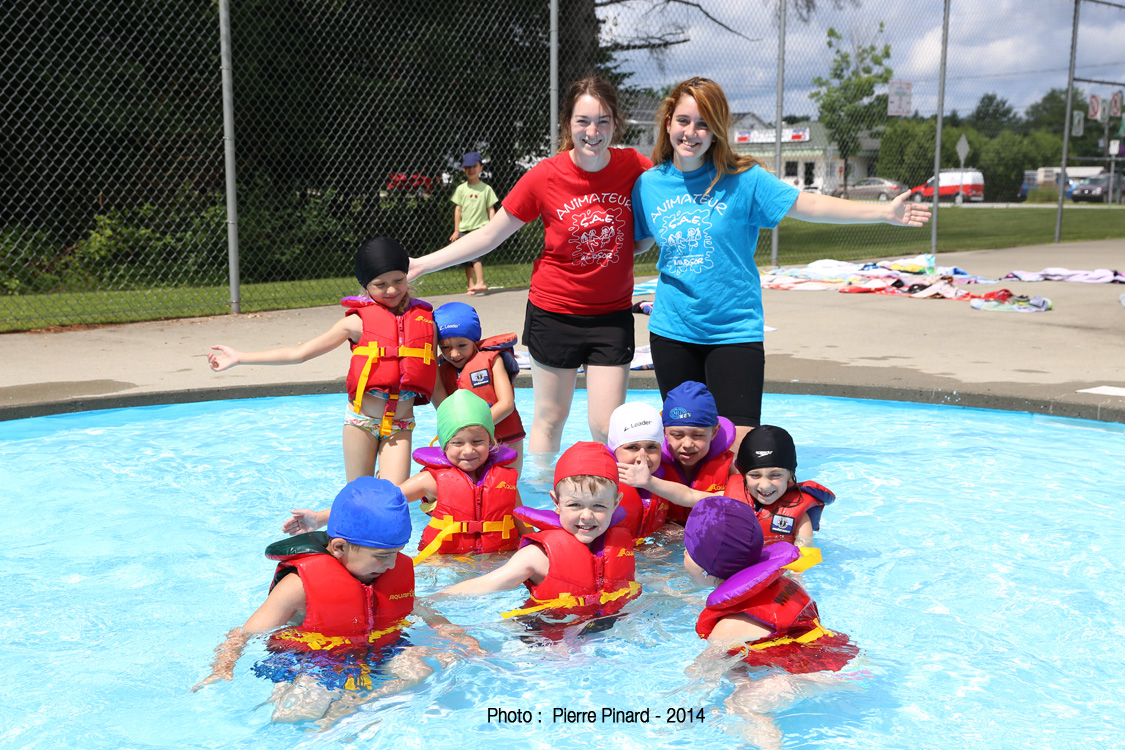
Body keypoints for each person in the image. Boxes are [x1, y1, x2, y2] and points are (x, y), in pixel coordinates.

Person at [632, 77, 931, 455]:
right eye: (684, 120)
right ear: (668, 123)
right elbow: (638, 240)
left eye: (704, 123)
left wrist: (883, 212)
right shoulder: (649, 185)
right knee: (685, 446)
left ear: (717, 130)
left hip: (733, 330)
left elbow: (812, 205)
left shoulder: (743, 180)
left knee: (738, 452)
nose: (691, 132)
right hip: (673, 331)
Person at [409, 76, 653, 451]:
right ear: (567, 124)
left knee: (608, 426)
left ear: (615, 123)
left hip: (611, 316)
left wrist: (637, 242)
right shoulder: (546, 175)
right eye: (583, 121)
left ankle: (604, 487)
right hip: (554, 313)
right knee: (551, 419)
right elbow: (490, 235)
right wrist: (421, 265)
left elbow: (650, 227)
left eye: (603, 121)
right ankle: (541, 488)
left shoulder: (636, 166)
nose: (593, 132)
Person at [194, 478, 478, 725]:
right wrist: (222, 668)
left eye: (397, 553)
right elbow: (245, 633)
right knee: (298, 712)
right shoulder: (298, 585)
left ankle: (353, 706)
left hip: (378, 648)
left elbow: (423, 610)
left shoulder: (386, 572)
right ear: (340, 547)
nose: (392, 565)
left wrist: (455, 635)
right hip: (312, 656)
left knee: (419, 672)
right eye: (382, 556)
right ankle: (340, 714)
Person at [207, 237, 436, 484]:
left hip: (400, 425)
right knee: (357, 493)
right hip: (362, 422)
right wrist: (240, 357)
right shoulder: (356, 323)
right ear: (365, 286)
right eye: (380, 284)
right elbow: (300, 353)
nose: (391, 290)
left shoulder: (425, 323)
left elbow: (432, 376)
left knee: (393, 495)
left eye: (398, 280)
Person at [683, 495, 858, 749]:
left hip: (826, 675)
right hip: (851, 661)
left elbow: (702, 673)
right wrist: (742, 682)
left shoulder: (728, 627)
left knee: (740, 705)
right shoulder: (783, 582)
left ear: (703, 568)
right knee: (744, 687)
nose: (684, 554)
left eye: (687, 550)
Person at [283, 391, 528, 564]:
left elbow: (522, 523)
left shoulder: (504, 479)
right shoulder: (431, 480)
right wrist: (319, 518)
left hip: (500, 560)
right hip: (445, 564)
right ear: (443, 445)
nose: (468, 450)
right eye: (457, 443)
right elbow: (377, 501)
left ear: (491, 441)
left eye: (478, 441)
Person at [432, 441, 640, 626]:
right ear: (556, 502)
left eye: (599, 506)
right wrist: (429, 601)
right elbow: (485, 584)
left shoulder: (618, 546)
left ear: (616, 503)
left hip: (607, 628)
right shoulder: (537, 555)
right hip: (543, 634)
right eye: (575, 505)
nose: (586, 516)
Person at [431, 301, 525, 472]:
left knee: (505, 485)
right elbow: (443, 409)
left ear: (474, 340)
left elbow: (507, 404)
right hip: (467, 446)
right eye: (445, 347)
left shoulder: (492, 360)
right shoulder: (442, 369)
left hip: (505, 440)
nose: (454, 354)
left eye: (462, 345)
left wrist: (476, 431)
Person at [724, 425, 834, 549]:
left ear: (790, 476)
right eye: (755, 475)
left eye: (775, 475)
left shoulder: (801, 517)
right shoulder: (726, 499)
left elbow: (806, 551)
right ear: (743, 476)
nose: (765, 486)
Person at [607, 401, 670, 542]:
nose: (643, 457)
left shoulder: (663, 476)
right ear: (613, 449)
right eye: (632, 447)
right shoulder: (600, 482)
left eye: (652, 447)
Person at [449, 151, 497, 295]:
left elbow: (491, 209)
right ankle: (471, 285)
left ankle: (480, 281)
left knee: (475, 255)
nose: (471, 170)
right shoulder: (461, 189)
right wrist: (456, 230)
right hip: (464, 229)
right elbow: (458, 210)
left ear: (481, 167)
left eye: (474, 166)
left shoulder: (486, 189)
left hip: (480, 229)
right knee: (466, 258)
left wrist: (493, 226)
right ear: (463, 169)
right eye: (467, 167)